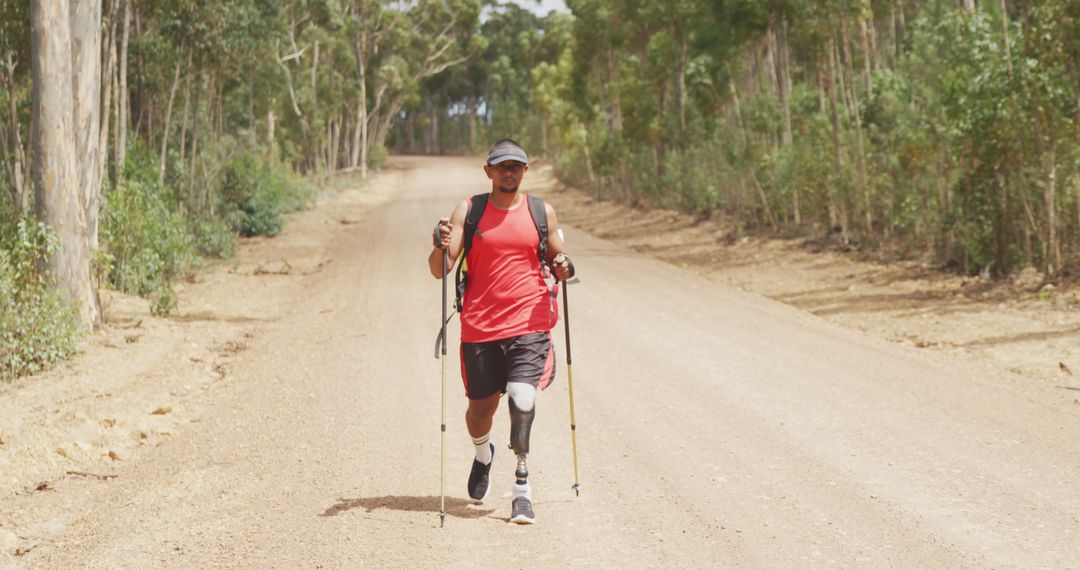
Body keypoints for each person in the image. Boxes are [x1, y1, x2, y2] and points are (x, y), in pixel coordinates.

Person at [428, 139, 575, 525]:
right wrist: (438, 244)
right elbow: (440, 268)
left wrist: (564, 265)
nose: (509, 172)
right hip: (480, 327)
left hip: (529, 323)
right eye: (502, 166)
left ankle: (522, 488)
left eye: (516, 166)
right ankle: (483, 454)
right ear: (488, 171)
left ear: (525, 171)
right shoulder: (470, 210)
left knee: (522, 396)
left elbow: (559, 259)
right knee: (480, 414)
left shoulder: (542, 212)